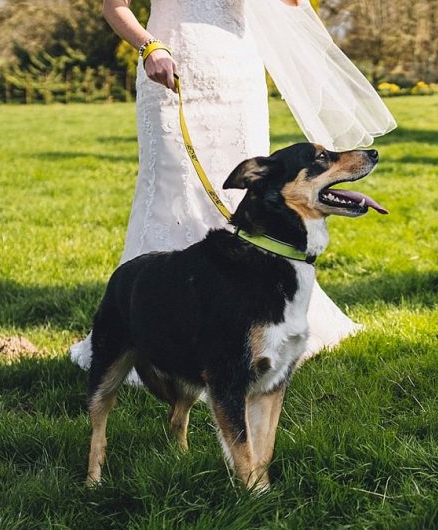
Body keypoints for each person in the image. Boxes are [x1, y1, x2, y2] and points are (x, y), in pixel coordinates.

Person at [70, 0, 395, 372]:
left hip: (237, 73)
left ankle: (260, 319)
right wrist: (149, 46)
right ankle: (156, 328)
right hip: (168, 62)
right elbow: (114, 6)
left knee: (243, 193)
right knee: (170, 191)